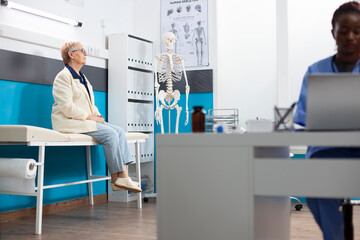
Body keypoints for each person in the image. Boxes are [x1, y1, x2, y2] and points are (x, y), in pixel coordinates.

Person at [294, 2, 360, 240]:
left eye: (357, 31)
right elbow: (303, 118)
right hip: (327, 151)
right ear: (333, 32)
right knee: (315, 181)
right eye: (344, 31)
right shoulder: (316, 70)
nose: (350, 37)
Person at [51, 41, 142, 193]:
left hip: (83, 120)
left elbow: (89, 104)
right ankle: (115, 179)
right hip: (69, 122)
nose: (86, 53)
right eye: (82, 50)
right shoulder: (63, 77)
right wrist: (90, 117)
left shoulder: (82, 78)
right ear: (71, 54)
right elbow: (67, 107)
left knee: (119, 130)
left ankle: (124, 176)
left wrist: (97, 115)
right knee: (110, 134)